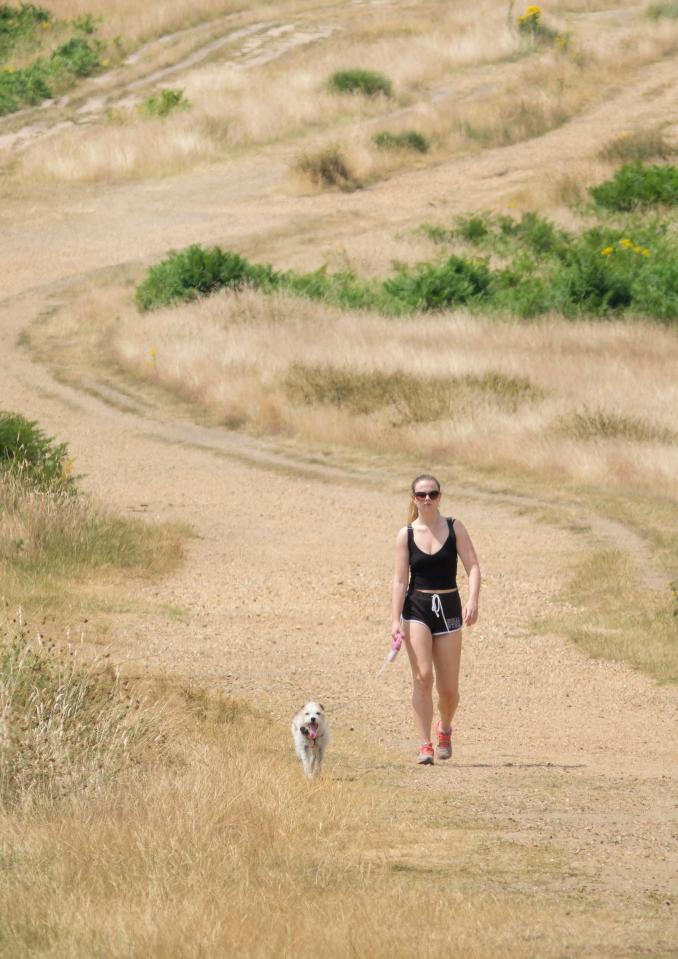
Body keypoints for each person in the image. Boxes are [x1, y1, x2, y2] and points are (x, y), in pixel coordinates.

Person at [391, 473, 480, 765]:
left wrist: (472, 601)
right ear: (413, 499)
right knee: (423, 677)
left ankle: (444, 728)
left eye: (432, 494)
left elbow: (474, 567)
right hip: (417, 607)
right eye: (421, 495)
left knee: (449, 689)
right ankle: (425, 744)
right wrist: (395, 621)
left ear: (440, 496)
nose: (427, 499)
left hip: (450, 607)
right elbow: (399, 580)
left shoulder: (455, 528)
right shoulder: (406, 534)